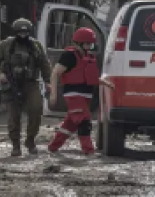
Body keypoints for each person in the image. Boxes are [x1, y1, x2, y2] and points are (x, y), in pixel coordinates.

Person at [0, 18, 52, 157]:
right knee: (13, 116)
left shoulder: (36, 45)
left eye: (25, 32)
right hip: (11, 84)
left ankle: (30, 140)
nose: (23, 35)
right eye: (20, 32)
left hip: (31, 83)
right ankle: (15, 144)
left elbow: (44, 63)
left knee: (36, 110)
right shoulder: (5, 45)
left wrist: (48, 81)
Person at [47, 27, 114, 155]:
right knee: (84, 120)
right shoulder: (69, 56)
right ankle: (88, 151)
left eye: (91, 44)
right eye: (87, 43)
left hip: (85, 96)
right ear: (79, 43)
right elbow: (55, 73)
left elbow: (90, 77)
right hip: (73, 95)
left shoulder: (88, 57)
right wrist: (53, 94)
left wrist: (106, 83)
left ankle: (53, 147)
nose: (89, 46)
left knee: (70, 125)